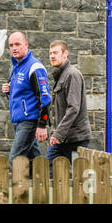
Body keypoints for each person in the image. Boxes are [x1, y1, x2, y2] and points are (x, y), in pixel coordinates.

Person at [2, 31, 51, 172]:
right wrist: (8, 92)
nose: (14, 48)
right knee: (33, 162)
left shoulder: (35, 67)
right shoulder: (15, 67)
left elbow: (45, 98)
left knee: (15, 160)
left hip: (29, 122)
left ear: (26, 45)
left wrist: (42, 125)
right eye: (11, 45)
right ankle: (39, 191)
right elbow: (21, 95)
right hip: (18, 122)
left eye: (17, 44)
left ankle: (16, 193)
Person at [46, 40, 92, 173]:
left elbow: (73, 108)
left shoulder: (72, 75)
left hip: (76, 139)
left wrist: (57, 134)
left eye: (55, 53)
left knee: (81, 177)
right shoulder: (60, 75)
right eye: (50, 53)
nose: (52, 56)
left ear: (65, 54)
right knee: (48, 169)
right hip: (62, 139)